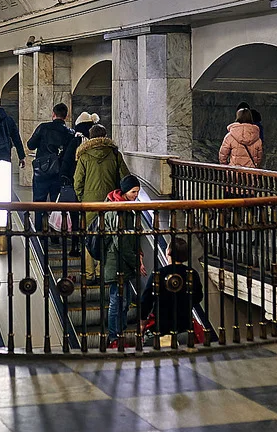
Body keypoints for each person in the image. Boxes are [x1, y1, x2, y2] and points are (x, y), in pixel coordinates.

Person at [74, 124, 129, 282]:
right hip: (110, 202)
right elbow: (125, 177)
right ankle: (101, 272)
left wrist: (82, 198)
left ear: (90, 137)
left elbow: (77, 182)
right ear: (105, 136)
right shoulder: (114, 154)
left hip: (89, 204)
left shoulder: (84, 156)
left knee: (88, 237)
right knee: (106, 236)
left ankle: (89, 273)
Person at [103, 174, 145, 348]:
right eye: (134, 192)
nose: (136, 195)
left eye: (137, 192)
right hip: (116, 261)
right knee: (117, 300)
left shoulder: (127, 207)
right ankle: (113, 336)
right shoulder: (116, 208)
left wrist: (139, 254)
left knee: (125, 300)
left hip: (124, 262)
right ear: (126, 190)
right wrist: (135, 260)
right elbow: (120, 241)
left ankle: (119, 332)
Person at [141, 237, 204, 344]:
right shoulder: (192, 273)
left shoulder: (158, 274)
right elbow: (198, 297)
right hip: (185, 326)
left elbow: (146, 300)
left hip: (161, 328)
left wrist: (142, 322)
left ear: (169, 252)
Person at [27, 102, 76, 232]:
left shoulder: (43, 128)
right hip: (59, 172)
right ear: (66, 116)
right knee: (57, 203)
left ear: (53, 114)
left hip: (41, 171)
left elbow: (31, 145)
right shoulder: (70, 132)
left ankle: (39, 232)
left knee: (39, 202)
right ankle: (55, 233)